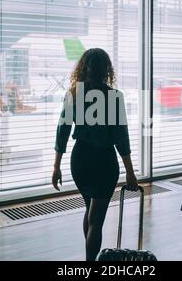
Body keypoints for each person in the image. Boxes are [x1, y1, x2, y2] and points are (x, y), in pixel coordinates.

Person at [52, 48, 139, 261]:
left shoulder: (74, 94)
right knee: (96, 220)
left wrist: (56, 167)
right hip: (103, 162)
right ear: (106, 69)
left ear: (83, 68)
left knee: (90, 210)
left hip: (80, 160)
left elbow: (62, 132)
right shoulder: (114, 97)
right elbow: (121, 139)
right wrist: (130, 172)